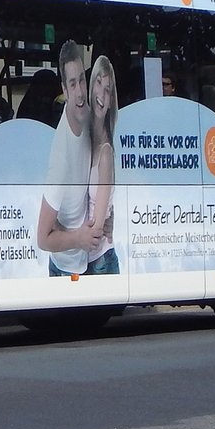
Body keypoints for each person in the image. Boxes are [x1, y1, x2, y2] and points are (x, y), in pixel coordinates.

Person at [37, 41, 104, 274]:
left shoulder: (90, 115)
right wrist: (79, 238)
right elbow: (43, 238)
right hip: (65, 269)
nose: (79, 92)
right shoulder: (61, 156)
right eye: (72, 84)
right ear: (64, 91)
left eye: (82, 81)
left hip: (88, 257)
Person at [83, 55, 119, 275]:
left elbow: (97, 227)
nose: (101, 96)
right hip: (88, 258)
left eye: (108, 90)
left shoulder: (106, 151)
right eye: (99, 84)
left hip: (100, 261)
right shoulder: (85, 139)